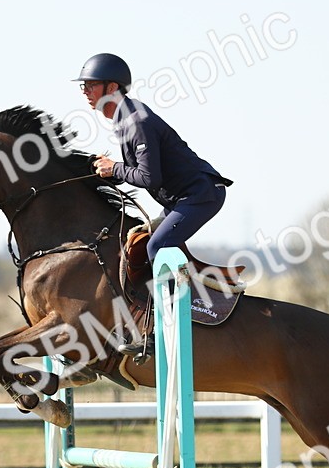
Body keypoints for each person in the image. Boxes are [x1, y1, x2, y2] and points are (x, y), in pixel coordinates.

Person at [75, 52, 232, 358]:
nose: (84, 91)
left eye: (90, 85)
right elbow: (137, 173)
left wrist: (115, 169)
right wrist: (105, 172)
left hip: (200, 195)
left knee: (156, 247)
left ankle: (165, 325)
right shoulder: (126, 118)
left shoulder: (136, 121)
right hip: (183, 198)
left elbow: (148, 176)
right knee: (139, 240)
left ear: (111, 88)